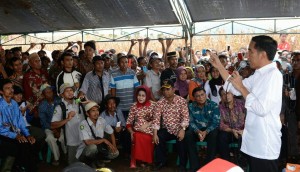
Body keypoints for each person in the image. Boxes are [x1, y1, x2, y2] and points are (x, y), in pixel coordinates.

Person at [209, 35, 282, 172]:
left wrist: (241, 87)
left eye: (250, 51)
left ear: (262, 54)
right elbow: (233, 88)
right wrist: (219, 65)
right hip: (254, 141)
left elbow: (261, 109)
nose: (247, 55)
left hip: (264, 143)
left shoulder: (273, 76)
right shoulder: (259, 74)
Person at [0, 79, 37, 172]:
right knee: (19, 146)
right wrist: (16, 136)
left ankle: (24, 167)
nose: (11, 90)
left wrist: (27, 134)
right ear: (1, 91)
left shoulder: (14, 103)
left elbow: (20, 122)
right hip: (3, 135)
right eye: (7, 88)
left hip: (14, 133)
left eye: (11, 88)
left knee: (31, 142)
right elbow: (1, 129)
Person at [152, 79, 189, 171]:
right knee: (159, 137)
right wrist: (155, 134)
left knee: (182, 140)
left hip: (179, 128)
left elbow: (186, 118)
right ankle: (161, 161)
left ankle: (182, 165)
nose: (165, 92)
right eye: (164, 90)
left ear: (173, 89)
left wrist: (182, 129)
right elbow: (156, 119)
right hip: (167, 129)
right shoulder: (160, 103)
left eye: (168, 89)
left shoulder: (181, 101)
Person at [185, 87, 220, 171]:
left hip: (209, 131)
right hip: (196, 130)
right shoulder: (190, 106)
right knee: (188, 134)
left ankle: (209, 165)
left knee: (214, 134)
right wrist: (197, 131)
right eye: (197, 96)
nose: (200, 97)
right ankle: (194, 166)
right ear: (194, 98)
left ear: (206, 95)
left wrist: (206, 131)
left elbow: (216, 122)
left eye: (202, 95)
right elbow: (190, 122)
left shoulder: (213, 105)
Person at [51, 83, 85, 164]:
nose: (70, 92)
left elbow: (90, 105)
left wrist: (85, 100)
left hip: (84, 139)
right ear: (62, 95)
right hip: (72, 141)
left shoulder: (78, 101)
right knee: (72, 164)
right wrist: (67, 119)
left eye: (71, 90)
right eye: (67, 91)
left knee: (91, 153)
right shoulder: (60, 107)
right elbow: (53, 125)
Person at [76, 101, 119, 167]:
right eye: (93, 111)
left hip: (99, 148)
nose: (96, 113)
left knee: (115, 153)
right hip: (85, 152)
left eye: (97, 110)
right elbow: (87, 142)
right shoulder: (83, 124)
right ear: (87, 113)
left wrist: (114, 146)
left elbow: (111, 132)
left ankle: (99, 159)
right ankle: (90, 163)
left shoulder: (101, 120)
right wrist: (104, 140)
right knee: (93, 148)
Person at [126, 85, 155, 168]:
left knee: (148, 138)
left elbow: (157, 119)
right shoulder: (134, 106)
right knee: (136, 136)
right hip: (137, 131)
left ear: (147, 96)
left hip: (149, 131)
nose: (140, 98)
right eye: (139, 95)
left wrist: (147, 124)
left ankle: (145, 160)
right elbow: (129, 122)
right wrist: (131, 132)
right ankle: (136, 160)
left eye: (143, 96)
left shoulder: (153, 105)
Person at [39, 83, 67, 166]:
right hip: (49, 127)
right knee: (50, 138)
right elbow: (43, 122)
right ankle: (56, 158)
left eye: (51, 91)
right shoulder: (42, 106)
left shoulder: (59, 100)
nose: (50, 93)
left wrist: (58, 128)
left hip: (61, 125)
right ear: (43, 95)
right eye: (47, 92)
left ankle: (66, 154)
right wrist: (54, 130)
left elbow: (64, 115)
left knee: (62, 137)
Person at [218, 87, 246, 161]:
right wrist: (232, 130)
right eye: (223, 94)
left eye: (228, 93)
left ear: (233, 94)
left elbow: (249, 118)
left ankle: (242, 161)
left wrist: (244, 130)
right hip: (229, 131)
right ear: (221, 97)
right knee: (222, 136)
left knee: (244, 137)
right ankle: (226, 161)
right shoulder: (219, 107)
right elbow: (220, 124)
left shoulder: (242, 103)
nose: (226, 96)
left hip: (242, 131)